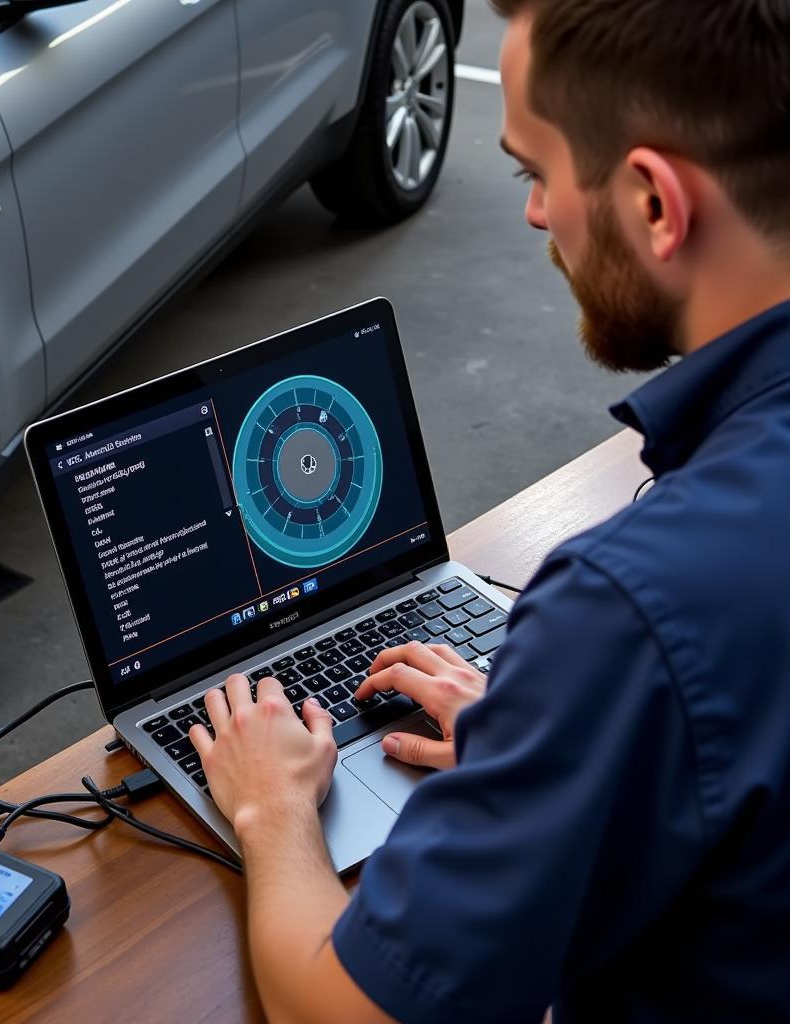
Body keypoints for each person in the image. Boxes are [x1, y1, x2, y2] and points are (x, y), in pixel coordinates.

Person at [188, 0, 790, 1020]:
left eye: (535, 173)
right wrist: (551, 749)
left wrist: (274, 810)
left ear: (652, 202)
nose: (532, 215)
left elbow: (339, 1011)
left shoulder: (628, 607)